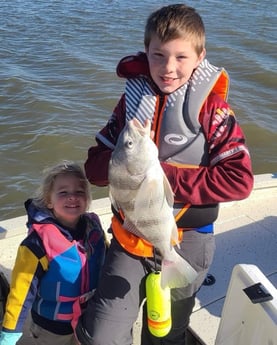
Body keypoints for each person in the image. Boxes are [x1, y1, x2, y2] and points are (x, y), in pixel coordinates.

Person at [76, 4, 254, 345]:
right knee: (102, 335)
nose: (168, 67)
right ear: (146, 52)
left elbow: (240, 180)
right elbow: (93, 166)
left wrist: (161, 176)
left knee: (166, 335)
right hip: (130, 238)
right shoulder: (132, 103)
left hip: (188, 241)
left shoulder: (213, 112)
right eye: (158, 55)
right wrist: (122, 168)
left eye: (181, 57)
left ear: (201, 56)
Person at [0, 161, 106, 345]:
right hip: (52, 327)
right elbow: (21, 292)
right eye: (63, 192)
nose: (72, 197)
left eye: (79, 192)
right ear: (49, 200)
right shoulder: (36, 244)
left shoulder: (94, 228)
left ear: (88, 198)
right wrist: (10, 331)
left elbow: (106, 258)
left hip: (89, 317)